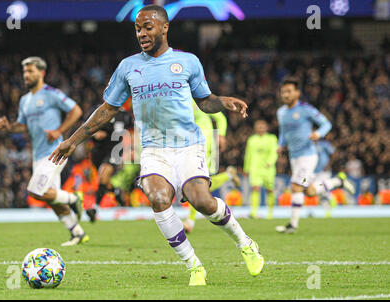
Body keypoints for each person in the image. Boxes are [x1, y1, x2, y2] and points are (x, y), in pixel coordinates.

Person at [49, 5, 264, 286]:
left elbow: (205, 100)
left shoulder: (188, 62)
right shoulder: (128, 67)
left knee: (201, 201)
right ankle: (194, 265)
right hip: (153, 149)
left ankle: (245, 243)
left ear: (164, 27)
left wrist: (224, 101)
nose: (141, 33)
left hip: (187, 145)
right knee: (158, 197)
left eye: (148, 27)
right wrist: (71, 141)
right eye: (138, 28)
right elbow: (106, 110)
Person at [0, 56, 89, 246]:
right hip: (38, 155)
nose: (26, 75)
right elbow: (23, 126)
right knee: (52, 198)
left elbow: (76, 111)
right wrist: (9, 127)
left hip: (55, 152)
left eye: (30, 71)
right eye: (24, 72)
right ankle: (77, 233)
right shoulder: (24, 101)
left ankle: (73, 198)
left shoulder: (51, 93)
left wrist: (59, 131)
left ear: (42, 73)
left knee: (35, 190)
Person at [275, 77, 355, 234]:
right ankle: (337, 181)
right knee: (309, 191)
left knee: (296, 186)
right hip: (294, 157)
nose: (286, 94)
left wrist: (318, 133)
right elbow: (283, 132)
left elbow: (327, 124)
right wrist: (280, 145)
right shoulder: (281, 112)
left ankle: (293, 225)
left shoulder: (306, 109)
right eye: (283, 91)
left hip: (308, 156)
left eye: (289, 91)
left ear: (297, 93)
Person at [182, 99, 241, 233]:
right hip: (187, 144)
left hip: (205, 142)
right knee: (196, 183)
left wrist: (221, 135)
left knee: (196, 181)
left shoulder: (198, 99)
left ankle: (190, 221)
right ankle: (228, 175)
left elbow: (220, 117)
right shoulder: (178, 99)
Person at [243, 120, 278, 219]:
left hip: (268, 168)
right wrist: (246, 168)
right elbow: (248, 155)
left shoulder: (272, 138)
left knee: (270, 190)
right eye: (258, 127)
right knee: (255, 188)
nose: (260, 128)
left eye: (262, 126)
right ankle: (253, 212)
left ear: (266, 128)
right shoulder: (252, 139)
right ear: (255, 128)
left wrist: (270, 162)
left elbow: (274, 152)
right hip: (255, 168)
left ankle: (270, 212)